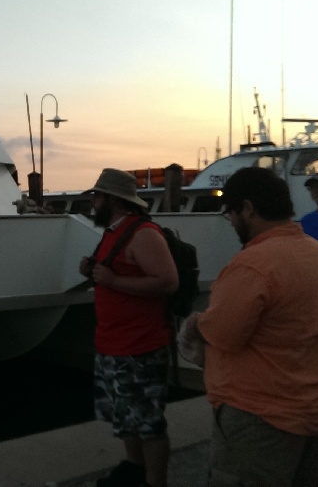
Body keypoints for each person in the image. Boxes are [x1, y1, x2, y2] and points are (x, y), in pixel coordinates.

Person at [181, 167, 318, 486]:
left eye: (231, 214)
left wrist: (195, 323)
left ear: (248, 208)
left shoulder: (253, 264)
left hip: (261, 420)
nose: (232, 223)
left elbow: (223, 334)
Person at [78, 168, 179, 487]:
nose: (93, 202)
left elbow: (168, 282)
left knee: (148, 424)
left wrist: (113, 280)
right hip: (112, 344)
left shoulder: (144, 233)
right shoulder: (114, 231)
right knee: (126, 418)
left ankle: (154, 482)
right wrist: (93, 271)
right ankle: (134, 469)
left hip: (140, 347)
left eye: (97, 196)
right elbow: (115, 274)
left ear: (112, 199)